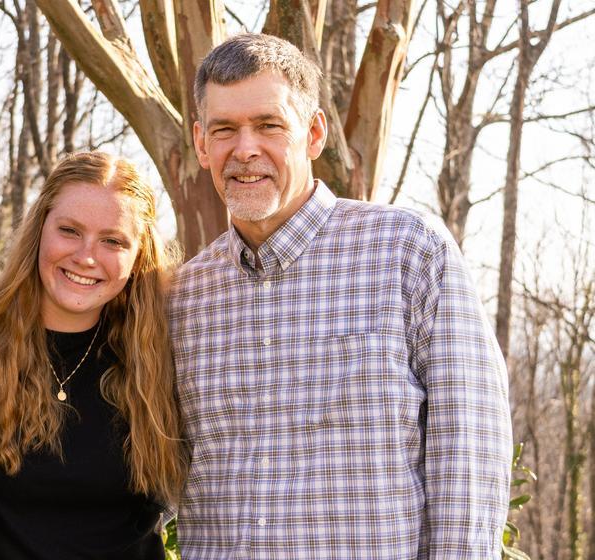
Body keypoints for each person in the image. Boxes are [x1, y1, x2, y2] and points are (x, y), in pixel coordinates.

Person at [169, 33, 512, 558]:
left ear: (313, 133)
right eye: (224, 130)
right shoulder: (185, 298)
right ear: (200, 142)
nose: (245, 149)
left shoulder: (408, 252)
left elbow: (469, 457)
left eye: (269, 125)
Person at [0, 151, 187, 559]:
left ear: (137, 257)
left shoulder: (164, 355)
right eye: (70, 230)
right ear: (40, 229)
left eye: (112, 240)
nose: (86, 256)